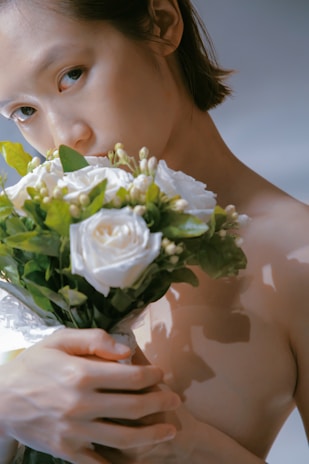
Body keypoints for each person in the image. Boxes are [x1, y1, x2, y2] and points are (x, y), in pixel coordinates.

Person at [0, 1, 308, 463]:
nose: (64, 138)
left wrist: (178, 442)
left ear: (162, 22)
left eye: (72, 75)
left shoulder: (296, 254)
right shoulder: (31, 243)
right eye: (25, 110)